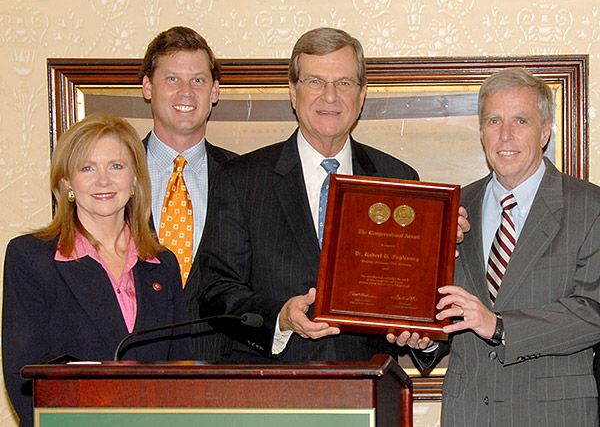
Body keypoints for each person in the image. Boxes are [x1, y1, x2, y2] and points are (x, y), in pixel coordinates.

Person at [198, 27, 467, 363]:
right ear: (293, 93)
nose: (329, 96)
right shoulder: (242, 179)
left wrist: (421, 337)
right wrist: (279, 319)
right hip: (269, 393)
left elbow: (412, 300)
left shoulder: (398, 178)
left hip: (366, 388)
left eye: (343, 83)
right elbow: (216, 290)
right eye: (315, 82)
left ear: (362, 94)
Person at [393, 68, 600, 426]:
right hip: (468, 412)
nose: (505, 135)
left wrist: (501, 326)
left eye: (521, 120)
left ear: (545, 132)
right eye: (493, 120)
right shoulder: (451, 209)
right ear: (482, 132)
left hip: (554, 415)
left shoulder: (589, 207)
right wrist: (423, 339)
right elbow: (443, 316)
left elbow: (593, 313)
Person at [2, 114, 193, 427]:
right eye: (87, 168)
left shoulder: (162, 264)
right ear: (66, 183)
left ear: (135, 179)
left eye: (116, 166)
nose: (103, 181)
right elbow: (24, 378)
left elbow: (182, 373)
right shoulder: (31, 257)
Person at [139, 26, 237, 359]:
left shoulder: (246, 179)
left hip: (223, 375)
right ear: (147, 87)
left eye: (198, 80)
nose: (186, 92)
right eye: (172, 79)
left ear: (215, 91)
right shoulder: (113, 177)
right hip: (130, 372)